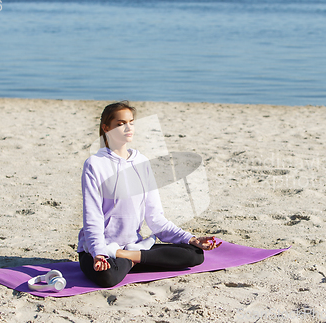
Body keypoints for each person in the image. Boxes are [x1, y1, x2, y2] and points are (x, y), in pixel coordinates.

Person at [77, 101, 221, 288]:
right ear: (106, 128)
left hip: (131, 246)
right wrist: (98, 253)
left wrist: (191, 239)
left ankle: (127, 257)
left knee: (194, 254)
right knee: (107, 277)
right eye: (120, 124)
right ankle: (132, 259)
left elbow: (155, 218)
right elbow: (92, 218)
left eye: (131, 122)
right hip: (99, 249)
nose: (128, 127)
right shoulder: (94, 164)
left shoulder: (141, 162)